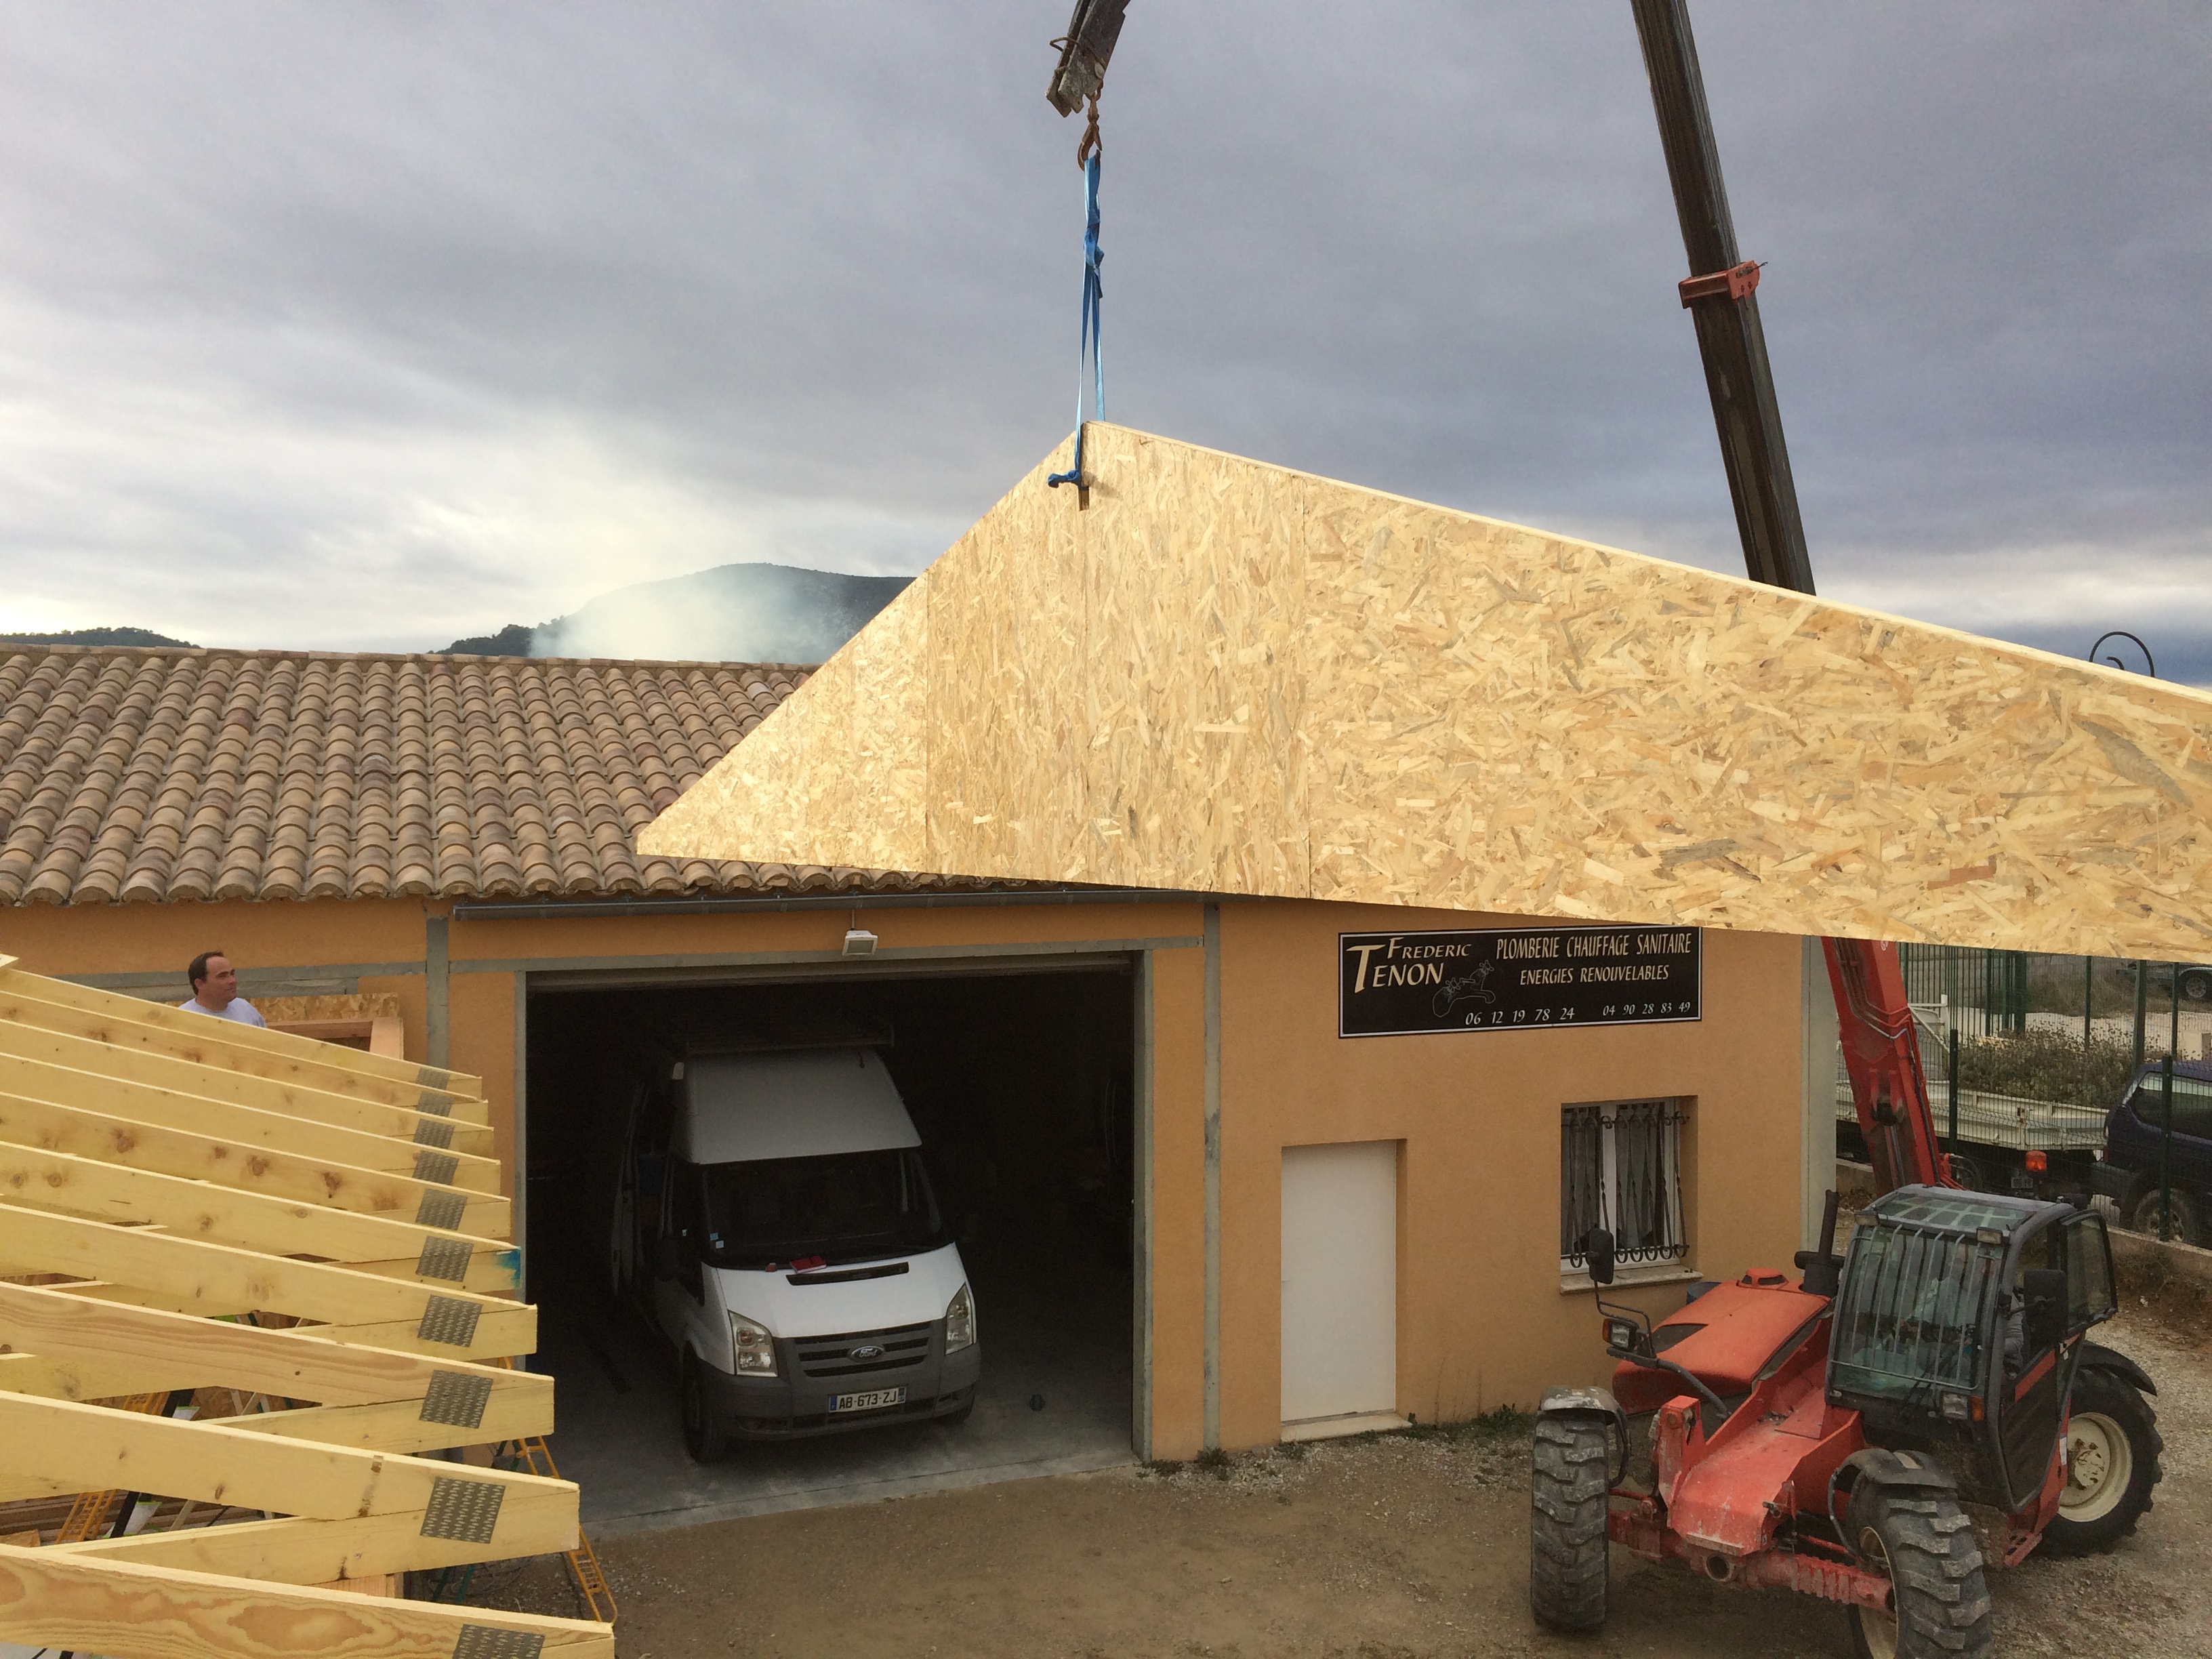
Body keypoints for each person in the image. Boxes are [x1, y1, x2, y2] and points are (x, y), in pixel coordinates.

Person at [178, 951, 267, 1027]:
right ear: (200, 984)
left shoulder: (245, 1009)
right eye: (222, 976)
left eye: (232, 974)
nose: (233, 981)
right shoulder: (182, 1018)